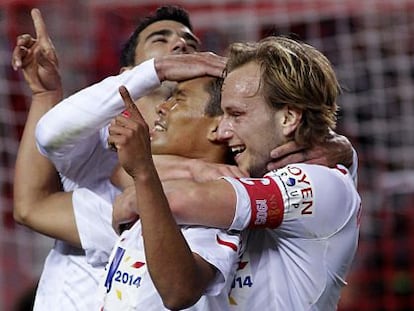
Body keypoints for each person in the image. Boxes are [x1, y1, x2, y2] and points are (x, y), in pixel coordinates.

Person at [110, 36, 362, 310]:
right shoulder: (264, 172)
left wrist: (139, 189)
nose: (223, 130)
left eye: (236, 114)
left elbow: (184, 200)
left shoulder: (317, 183)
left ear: (288, 118)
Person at [12, 5, 223, 310]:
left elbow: (32, 207)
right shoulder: (96, 136)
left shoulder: (219, 175)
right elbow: (50, 134)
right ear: (128, 74)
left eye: (190, 44)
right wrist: (45, 96)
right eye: (160, 40)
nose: (180, 46)